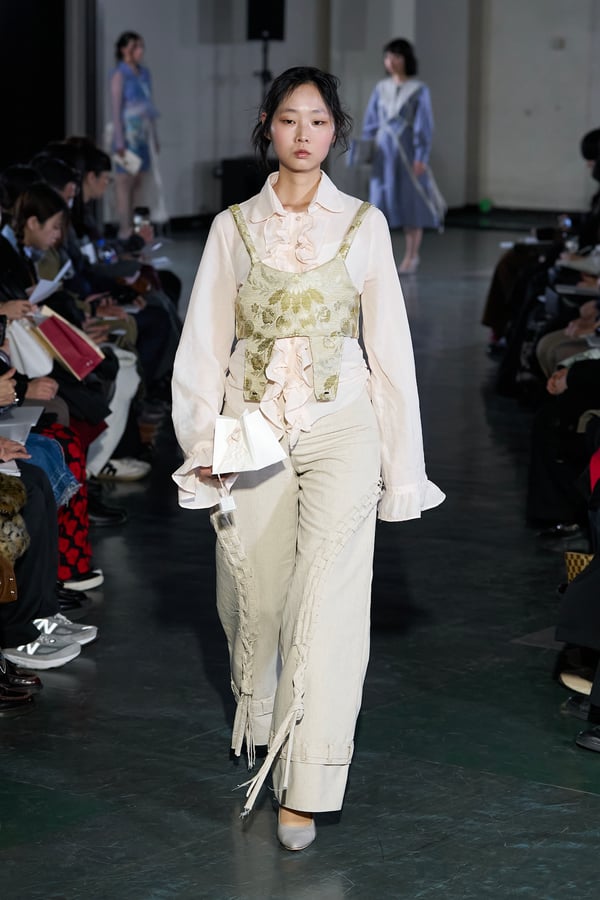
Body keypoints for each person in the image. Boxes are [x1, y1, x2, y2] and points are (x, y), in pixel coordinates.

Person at [171, 66, 444, 851]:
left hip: (341, 424)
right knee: (252, 600)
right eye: (289, 119)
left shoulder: (364, 224)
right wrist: (204, 444)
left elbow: (389, 352)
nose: (303, 134)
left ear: (335, 131)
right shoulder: (233, 227)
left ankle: (307, 782)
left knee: (326, 609)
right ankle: (264, 722)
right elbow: (203, 345)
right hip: (249, 426)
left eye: (318, 120)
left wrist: (402, 468)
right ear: (268, 125)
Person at [359, 38, 445, 274]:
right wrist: (367, 148)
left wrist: (421, 156)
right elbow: (371, 122)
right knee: (379, 202)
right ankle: (377, 259)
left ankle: (411, 256)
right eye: (388, 56)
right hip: (383, 154)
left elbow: (424, 125)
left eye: (396, 56)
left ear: (406, 59)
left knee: (411, 202)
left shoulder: (418, 90)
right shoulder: (381, 88)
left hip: (406, 153)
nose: (391, 61)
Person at [109, 31, 160, 239]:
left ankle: (140, 231)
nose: (140, 51)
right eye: (134, 47)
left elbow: (149, 106)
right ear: (124, 50)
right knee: (125, 183)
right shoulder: (119, 75)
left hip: (142, 137)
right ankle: (125, 229)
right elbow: (116, 110)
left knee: (140, 185)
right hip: (127, 138)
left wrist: (154, 136)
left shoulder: (144, 74)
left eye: (140, 46)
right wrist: (119, 141)